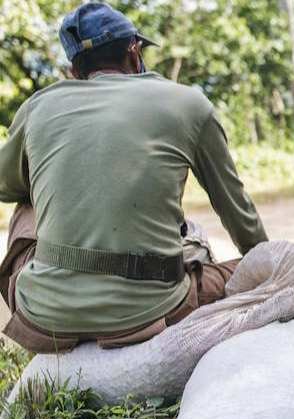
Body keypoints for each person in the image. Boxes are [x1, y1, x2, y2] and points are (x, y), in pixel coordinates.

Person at [0, 2, 267, 354]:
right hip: (153, 309)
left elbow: (5, 186)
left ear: (73, 69)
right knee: (208, 254)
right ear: (134, 50)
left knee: (27, 200)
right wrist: (267, 262)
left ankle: (60, 288)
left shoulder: (39, 106)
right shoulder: (188, 103)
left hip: (47, 314)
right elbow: (237, 212)